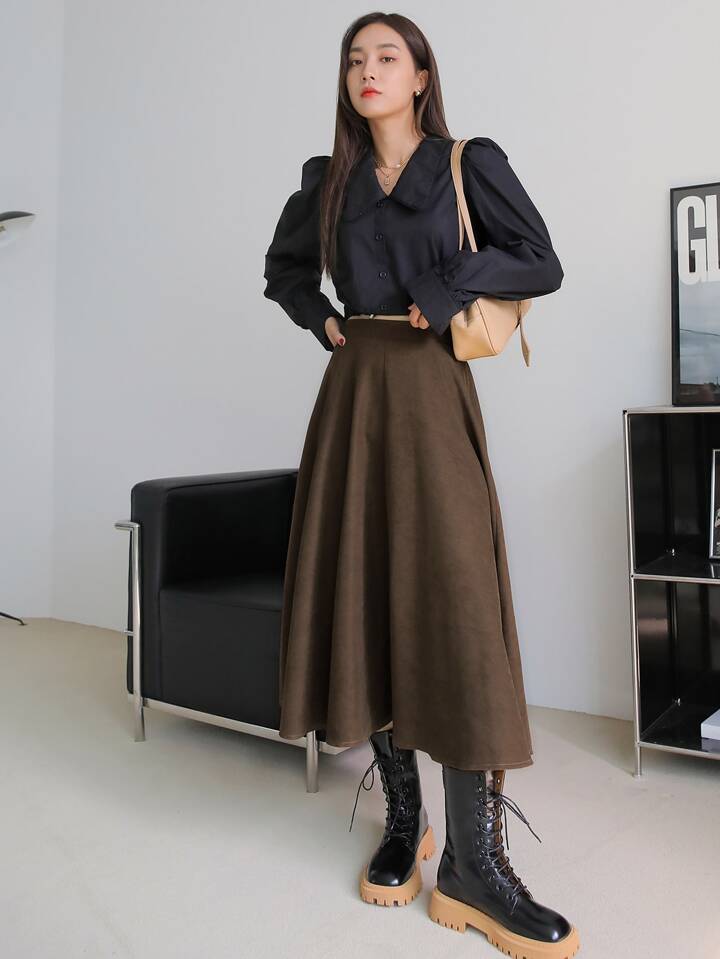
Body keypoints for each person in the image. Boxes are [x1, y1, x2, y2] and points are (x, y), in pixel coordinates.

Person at [263, 12, 579, 959]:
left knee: (457, 607)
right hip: (354, 395)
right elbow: (283, 270)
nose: (367, 71)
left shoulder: (466, 162)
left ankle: (476, 864)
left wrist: (444, 290)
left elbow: (542, 259)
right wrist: (321, 318)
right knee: (370, 598)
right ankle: (407, 821)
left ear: (420, 75)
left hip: (434, 393)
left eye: (386, 57)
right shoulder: (327, 179)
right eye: (354, 60)